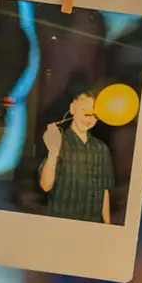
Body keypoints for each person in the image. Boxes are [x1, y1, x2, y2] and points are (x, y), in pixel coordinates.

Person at [40, 76, 114, 223]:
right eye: (84, 111)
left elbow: (105, 191)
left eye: (94, 114)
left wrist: (108, 225)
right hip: (61, 222)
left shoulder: (102, 148)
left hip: (93, 224)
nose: (89, 118)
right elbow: (45, 185)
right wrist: (53, 151)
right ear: (72, 108)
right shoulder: (58, 141)